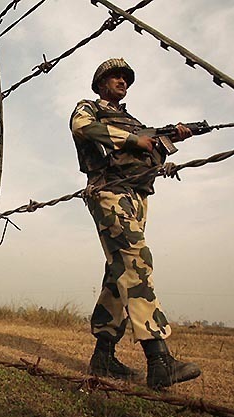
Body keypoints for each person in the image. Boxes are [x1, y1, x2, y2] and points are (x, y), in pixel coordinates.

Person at [70, 57, 201, 389]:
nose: (121, 81)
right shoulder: (89, 108)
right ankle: (159, 360)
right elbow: (81, 128)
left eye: (125, 78)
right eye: (114, 77)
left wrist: (168, 143)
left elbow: (146, 156)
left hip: (137, 196)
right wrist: (135, 140)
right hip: (109, 191)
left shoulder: (133, 120)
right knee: (137, 263)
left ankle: (103, 357)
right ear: (101, 83)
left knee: (119, 273)